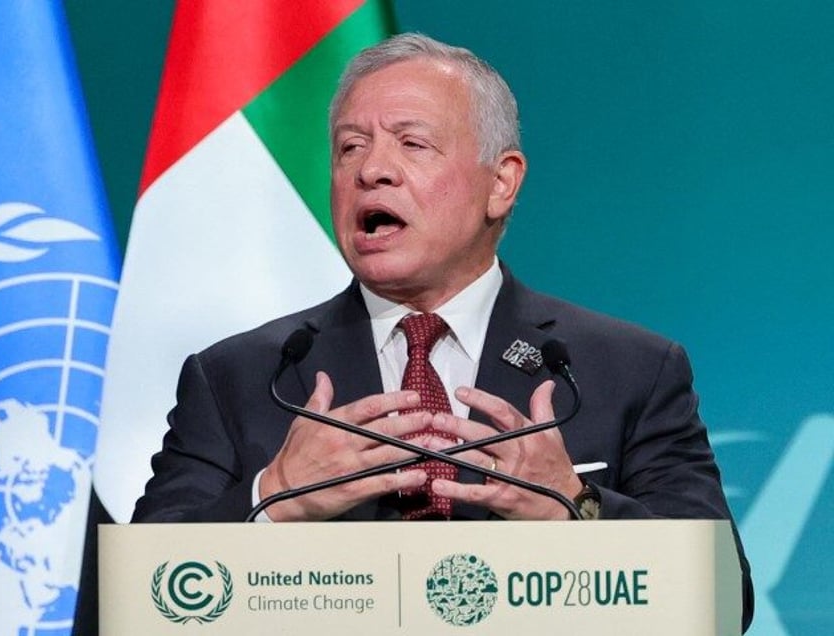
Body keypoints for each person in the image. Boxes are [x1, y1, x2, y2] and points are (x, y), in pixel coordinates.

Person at [132, 33, 753, 629]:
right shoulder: (238, 375)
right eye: (350, 147)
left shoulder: (627, 370)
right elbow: (128, 602)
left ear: (502, 183)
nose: (371, 170)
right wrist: (275, 496)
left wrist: (575, 507)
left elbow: (725, 600)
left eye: (412, 143)